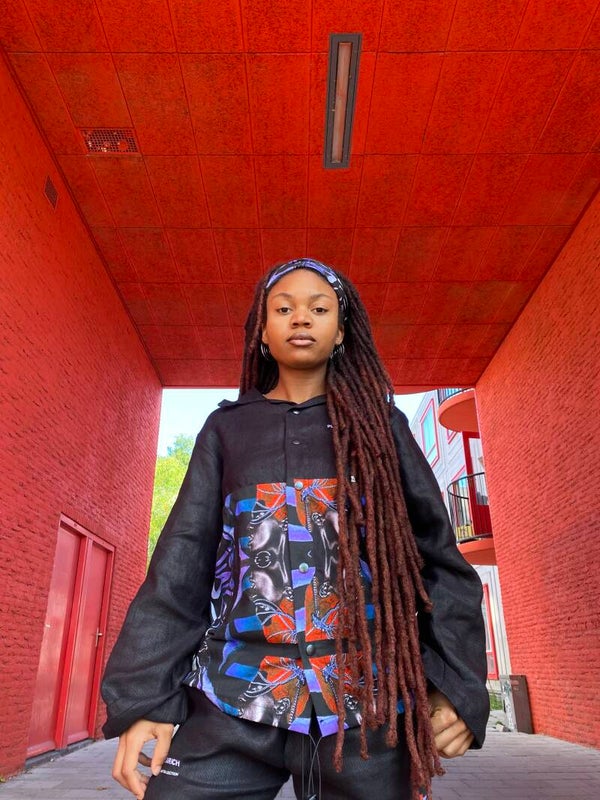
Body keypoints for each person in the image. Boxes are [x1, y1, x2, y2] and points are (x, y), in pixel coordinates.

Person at [101, 258, 489, 800]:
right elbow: (180, 564)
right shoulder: (226, 430)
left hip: (367, 702)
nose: (301, 317)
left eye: (319, 309)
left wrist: (456, 687)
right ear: (262, 332)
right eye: (283, 309)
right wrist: (146, 700)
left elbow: (439, 562)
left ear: (342, 332)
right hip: (236, 693)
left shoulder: (383, 428)